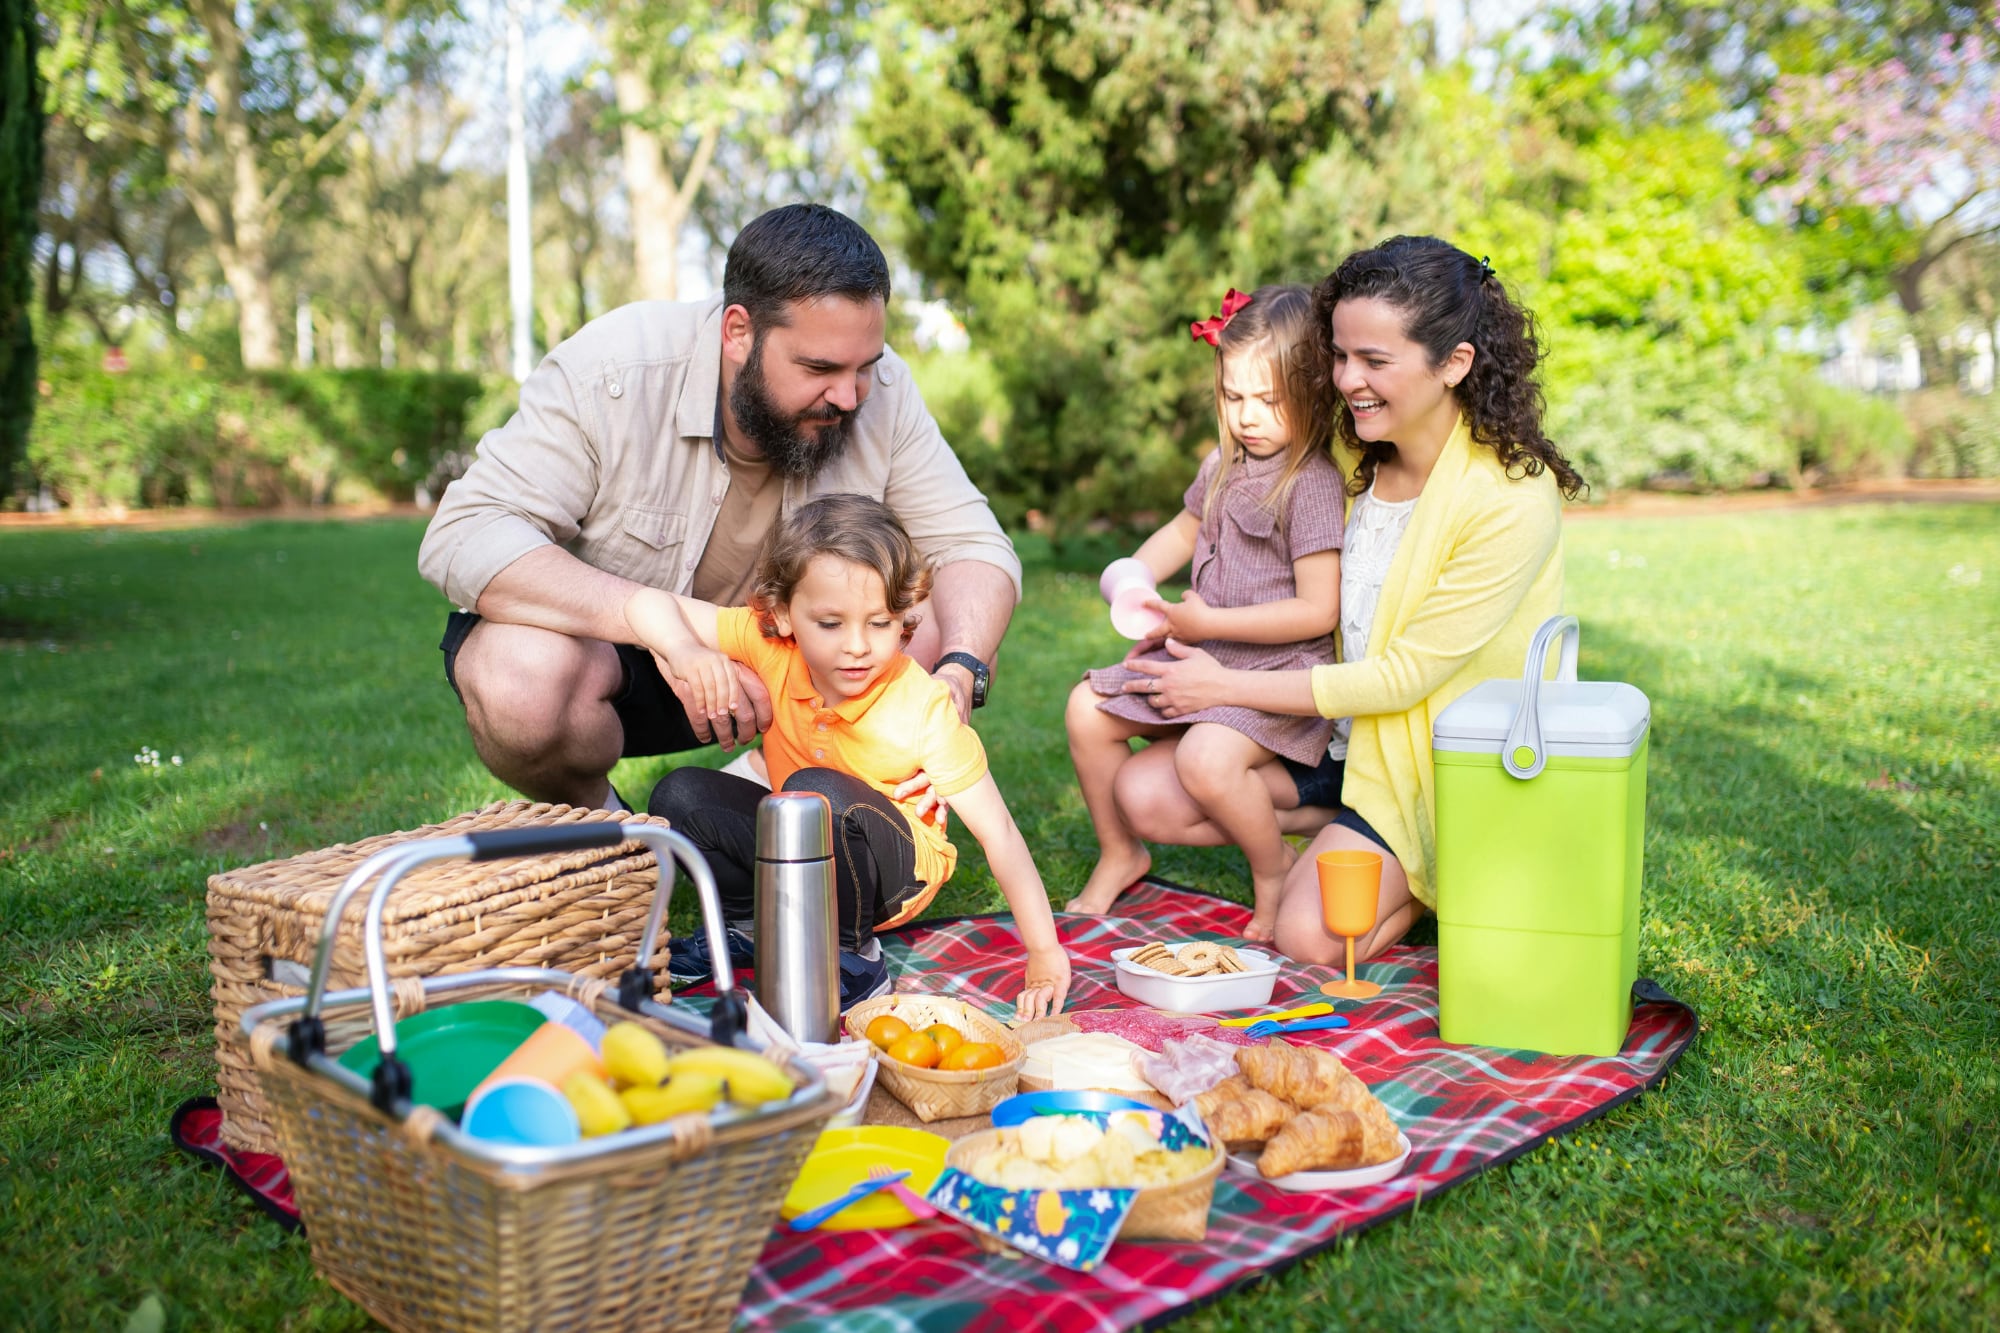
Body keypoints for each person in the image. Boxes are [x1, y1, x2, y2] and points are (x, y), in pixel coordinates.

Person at [418, 204, 1019, 814]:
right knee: (514, 676)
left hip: (795, 664)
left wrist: (961, 672)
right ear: (739, 332)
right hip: (622, 659)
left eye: (865, 366)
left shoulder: (883, 392)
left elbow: (975, 548)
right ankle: (615, 835)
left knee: (953, 612)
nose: (847, 395)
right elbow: (465, 533)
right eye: (819, 368)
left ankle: (777, 788)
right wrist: (650, 620)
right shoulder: (613, 369)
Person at [1114, 237, 1585, 966]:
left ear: (1454, 363)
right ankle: (1338, 831)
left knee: (1308, 936)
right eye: (1339, 355)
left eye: (1374, 361)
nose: (1346, 379)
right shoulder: (1348, 453)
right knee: (1144, 794)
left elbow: (1403, 678)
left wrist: (1223, 683)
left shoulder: (1509, 500)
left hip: (1426, 767)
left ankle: (1437, 874)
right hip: (1337, 742)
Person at [627, 494, 1071, 1018]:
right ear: (784, 616)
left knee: (817, 790)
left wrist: (1045, 952)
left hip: (889, 876)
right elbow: (645, 604)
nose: (857, 646)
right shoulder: (771, 646)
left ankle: (852, 955)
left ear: (905, 617)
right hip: (805, 842)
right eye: (831, 624)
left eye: (879, 623)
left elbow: (999, 831)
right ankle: (746, 925)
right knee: (679, 793)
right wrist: (684, 650)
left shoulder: (922, 706)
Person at [1063, 285, 1345, 942]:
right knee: (1085, 708)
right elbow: (1184, 531)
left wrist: (1206, 625)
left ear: (1311, 391)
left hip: (1274, 669)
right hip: (1200, 649)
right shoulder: (1223, 464)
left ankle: (1273, 868)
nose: (1248, 415)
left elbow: (1317, 608)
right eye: (1233, 396)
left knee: (1207, 760)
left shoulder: (1312, 482)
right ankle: (1121, 852)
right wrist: (1134, 574)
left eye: (1269, 400)